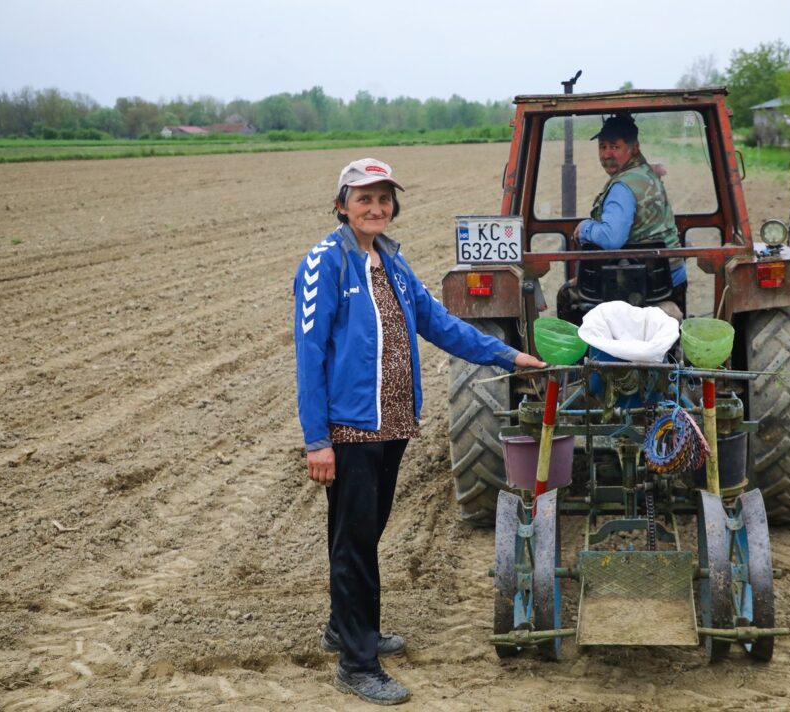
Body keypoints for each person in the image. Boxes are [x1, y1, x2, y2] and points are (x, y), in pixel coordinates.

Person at [293, 158, 545, 705]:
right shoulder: (324, 264)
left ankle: (345, 627)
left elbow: (439, 323)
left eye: (383, 199)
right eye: (364, 198)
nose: (375, 208)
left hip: (394, 423)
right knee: (355, 541)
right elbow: (309, 357)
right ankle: (357, 663)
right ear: (342, 205)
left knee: (362, 534)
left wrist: (506, 354)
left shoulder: (392, 262)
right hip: (351, 428)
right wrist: (317, 441)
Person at [571, 113, 686, 315]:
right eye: (602, 146)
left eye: (614, 147)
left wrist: (585, 228)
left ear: (634, 148)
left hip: (643, 281)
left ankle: (580, 346)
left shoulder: (622, 187)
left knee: (567, 294)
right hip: (670, 275)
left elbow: (611, 238)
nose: (606, 154)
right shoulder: (647, 172)